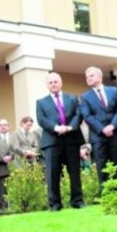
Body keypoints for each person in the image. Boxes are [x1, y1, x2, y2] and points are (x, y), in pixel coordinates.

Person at [36, 72, 85, 211]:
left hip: (71, 139)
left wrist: (70, 127)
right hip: (52, 140)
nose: (53, 84)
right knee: (53, 174)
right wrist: (56, 128)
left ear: (61, 82)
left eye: (56, 81)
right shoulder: (41, 102)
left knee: (74, 172)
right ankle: (55, 204)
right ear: (47, 85)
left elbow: (78, 114)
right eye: (50, 82)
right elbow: (41, 119)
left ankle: (77, 201)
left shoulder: (72, 98)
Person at [81, 66, 117, 187]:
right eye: (86, 77)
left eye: (91, 76)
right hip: (98, 136)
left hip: (114, 134)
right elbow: (87, 116)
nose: (88, 79)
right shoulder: (85, 97)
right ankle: (105, 194)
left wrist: (112, 126)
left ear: (99, 77)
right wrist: (102, 129)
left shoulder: (113, 91)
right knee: (101, 166)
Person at [0, 118, 15, 212]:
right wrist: (2, 158)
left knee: (14, 189)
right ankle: (2, 209)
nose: (3, 127)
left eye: (5, 125)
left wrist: (11, 156)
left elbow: (17, 148)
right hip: (0, 168)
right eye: (1, 125)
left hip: (14, 166)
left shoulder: (14, 138)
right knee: (2, 190)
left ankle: (15, 208)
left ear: (9, 127)